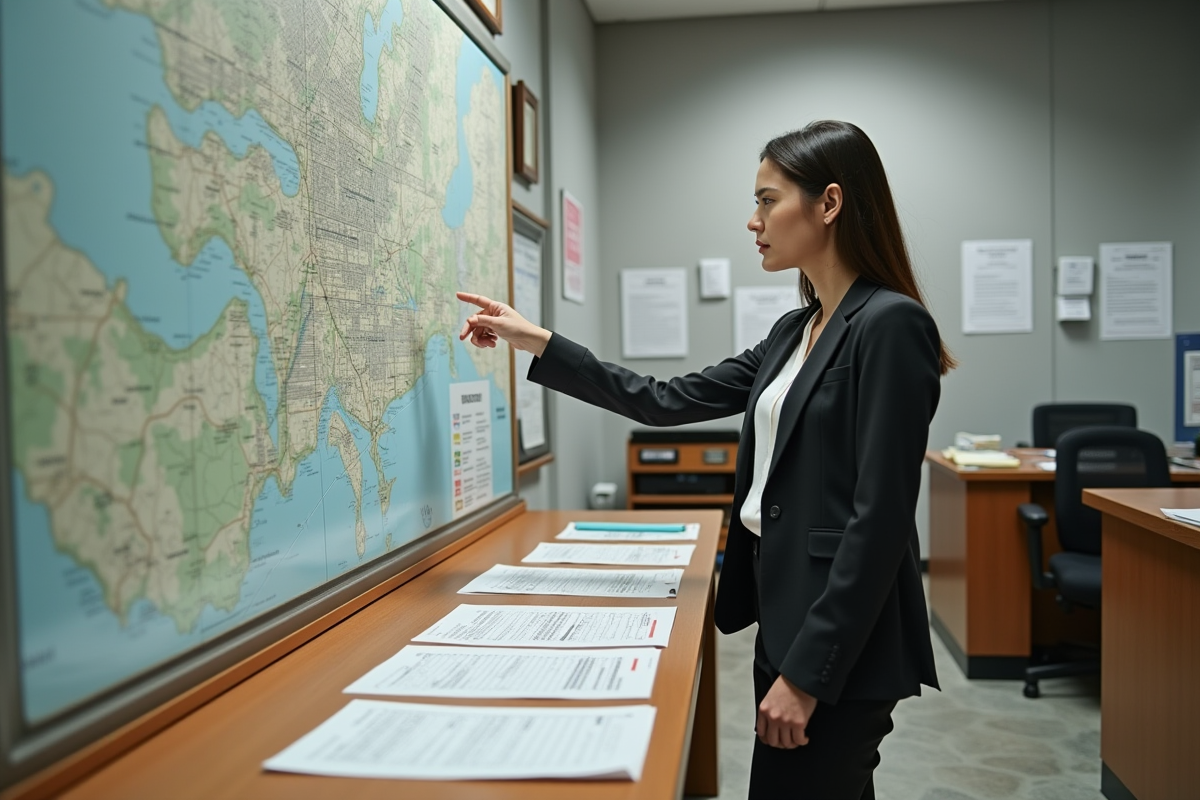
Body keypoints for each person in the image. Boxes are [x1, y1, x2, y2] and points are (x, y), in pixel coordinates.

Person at [457, 119, 953, 799]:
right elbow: (664, 399)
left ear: (829, 203)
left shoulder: (890, 324)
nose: (753, 221)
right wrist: (539, 342)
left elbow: (882, 520)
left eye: (768, 201)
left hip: (840, 634)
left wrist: (808, 673)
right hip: (785, 609)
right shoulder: (795, 330)